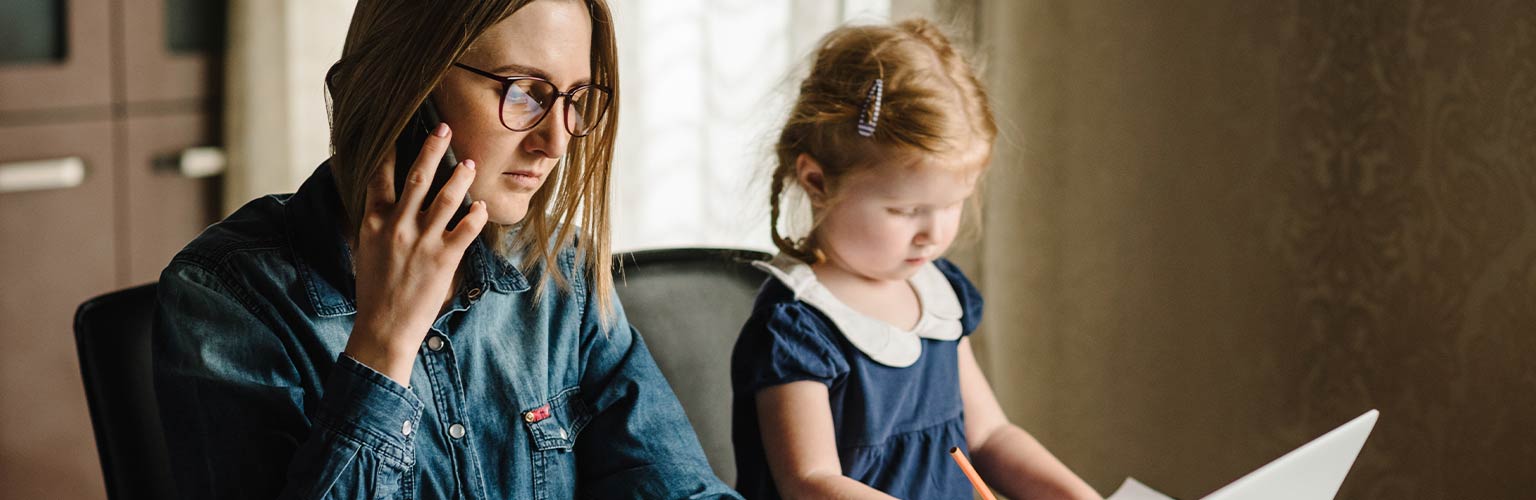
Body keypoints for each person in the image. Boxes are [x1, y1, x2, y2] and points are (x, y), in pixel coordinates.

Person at [153, 1, 739, 497]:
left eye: (575, 96)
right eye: (525, 91)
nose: (556, 140)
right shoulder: (225, 296)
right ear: (405, 87)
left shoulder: (557, 268)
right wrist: (385, 344)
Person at [730, 19, 1101, 500]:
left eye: (953, 204)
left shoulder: (938, 293)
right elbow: (811, 483)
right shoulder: (796, 325)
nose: (934, 232)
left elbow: (989, 437)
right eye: (906, 211)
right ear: (817, 182)